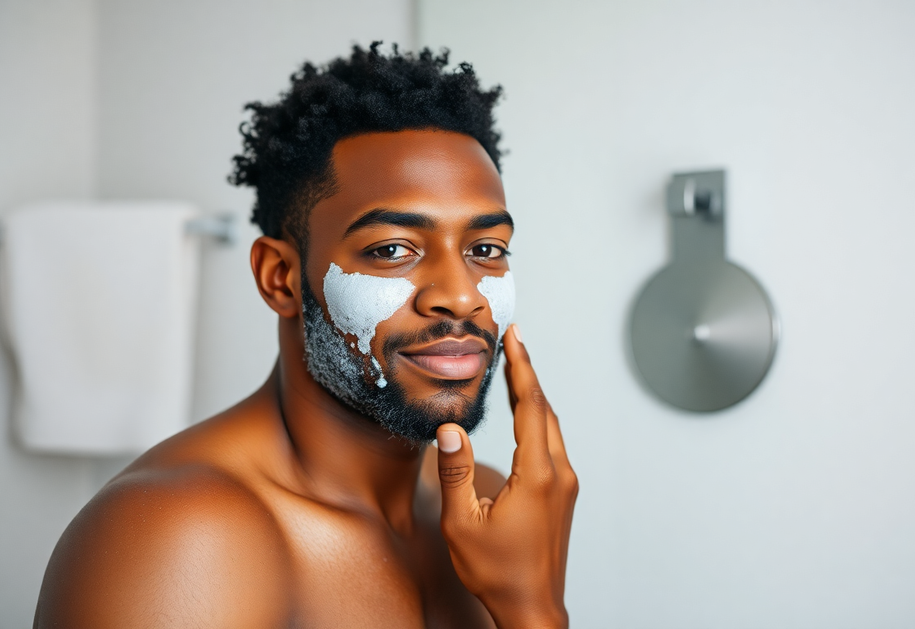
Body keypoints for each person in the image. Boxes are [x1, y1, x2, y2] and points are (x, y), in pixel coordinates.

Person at [34, 43, 577, 628]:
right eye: (392, 250)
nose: (463, 294)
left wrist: (529, 604)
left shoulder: (491, 512)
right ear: (281, 278)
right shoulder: (178, 536)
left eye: (485, 250)